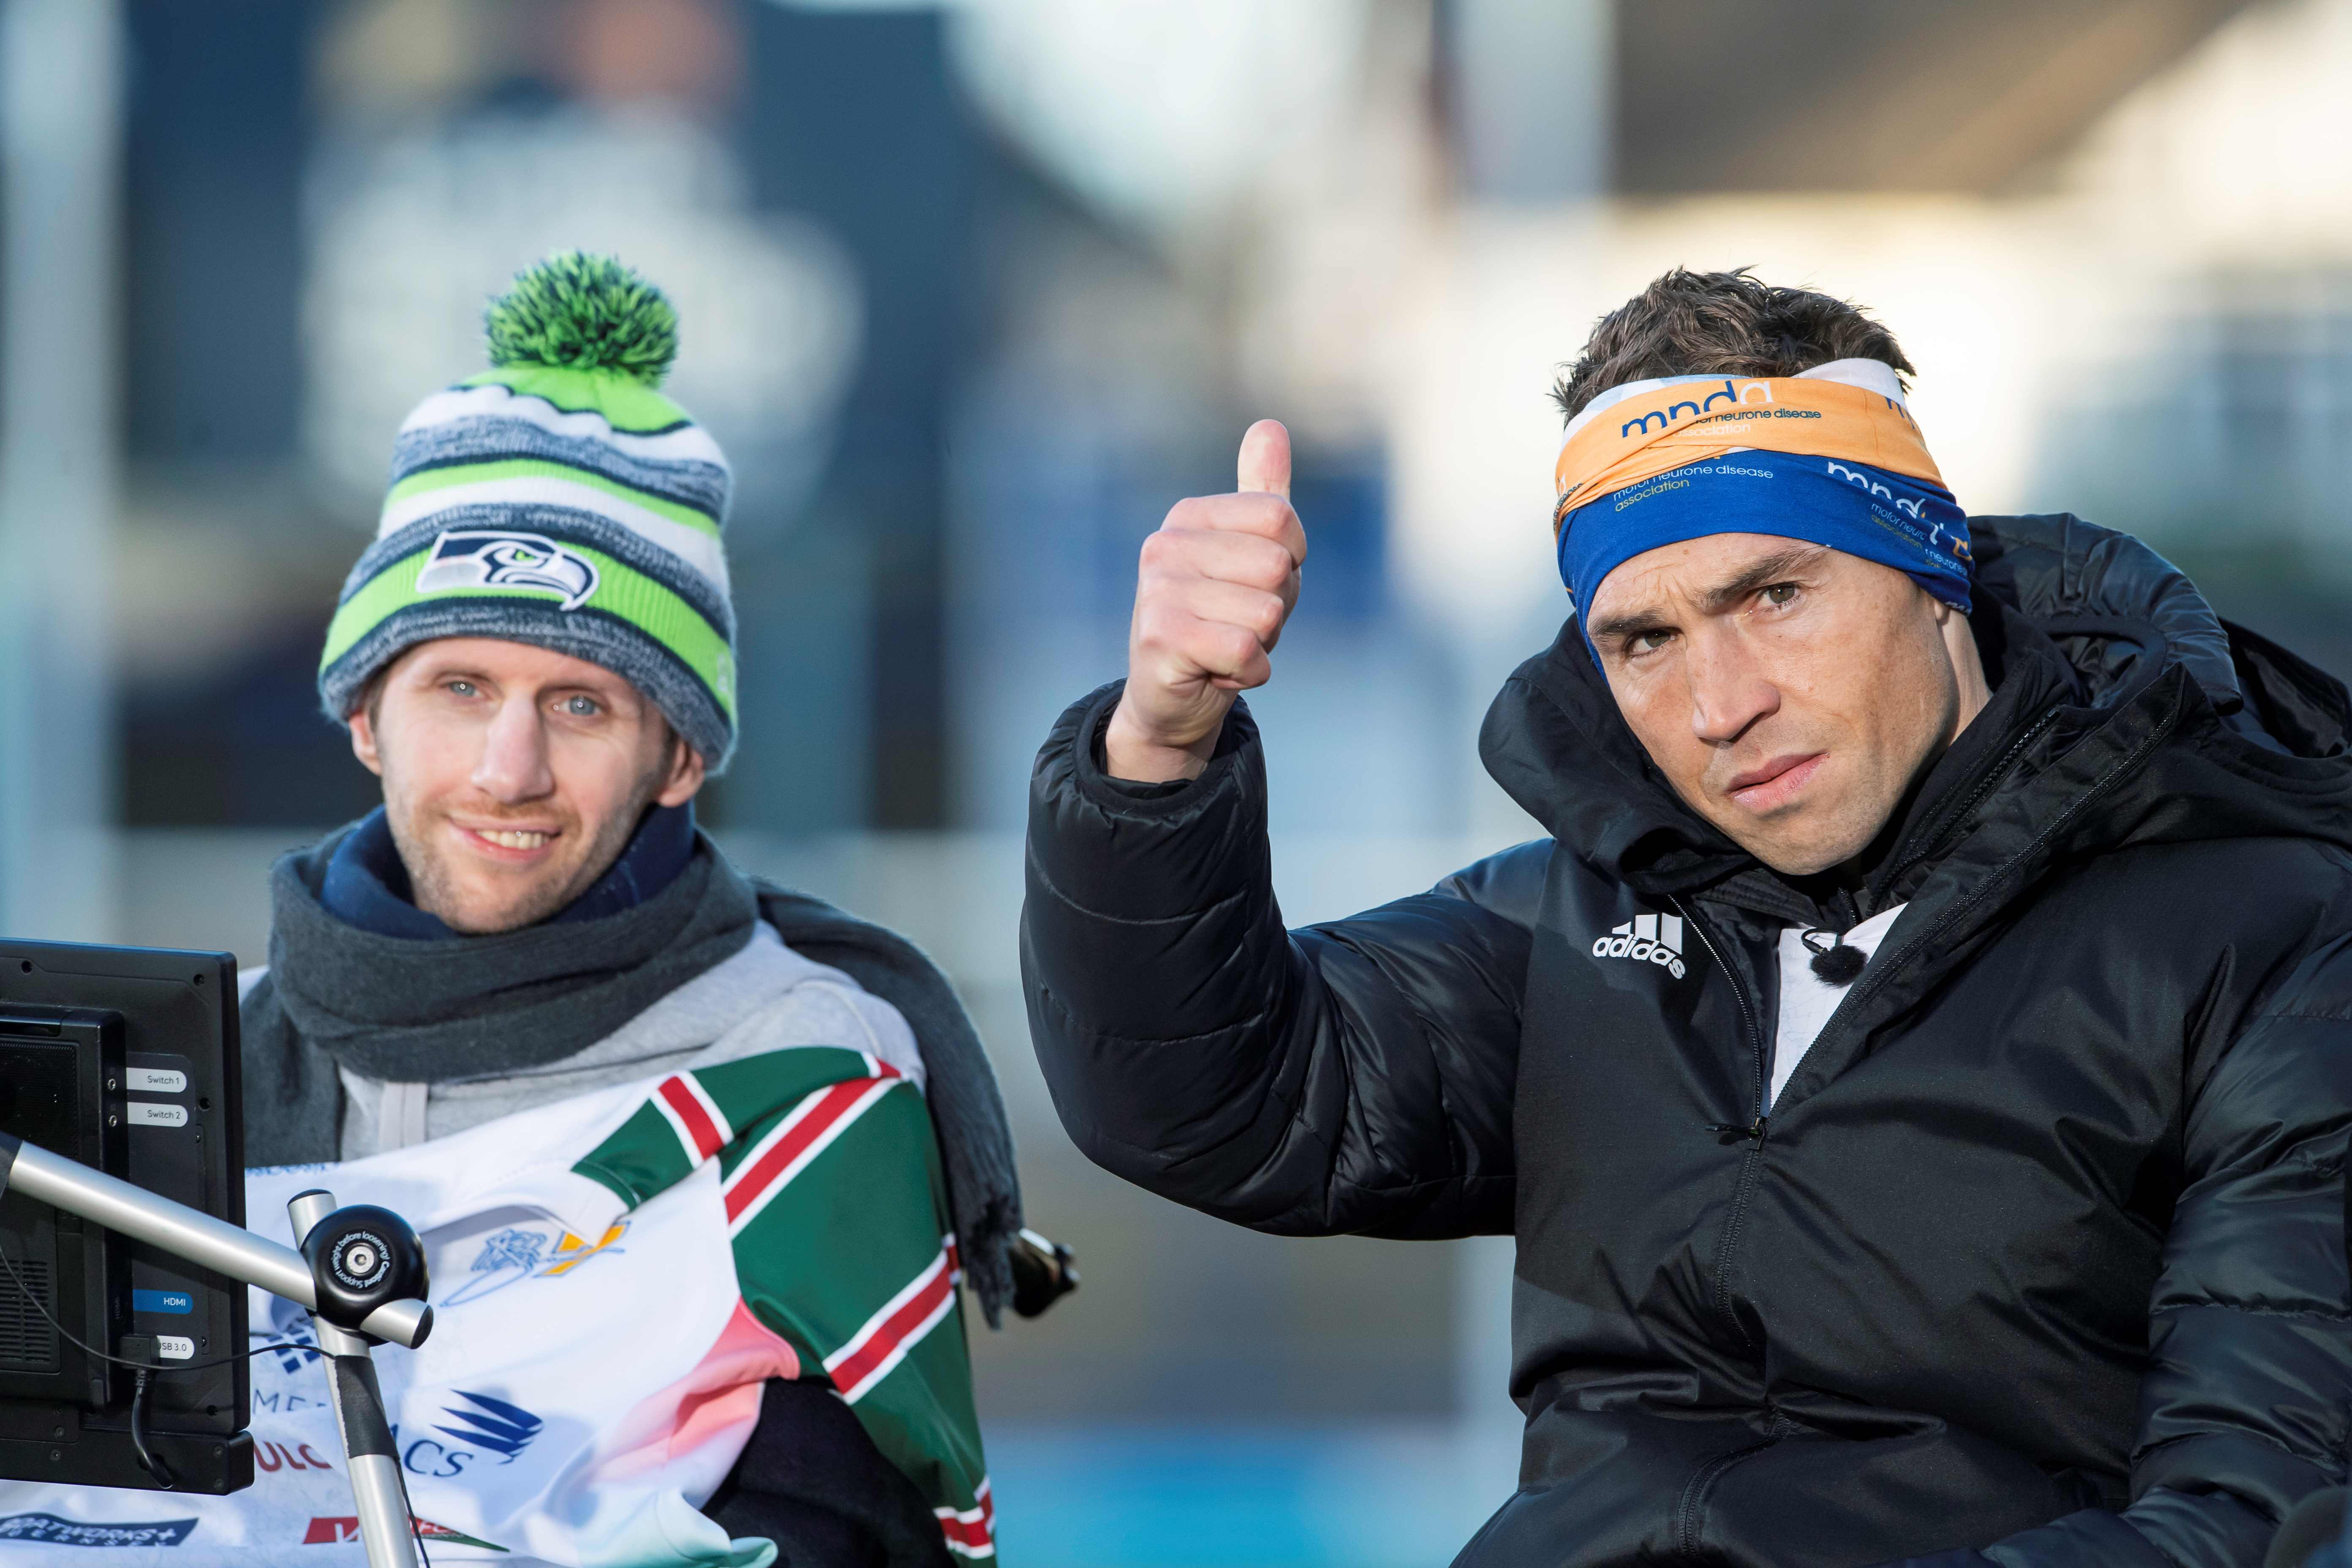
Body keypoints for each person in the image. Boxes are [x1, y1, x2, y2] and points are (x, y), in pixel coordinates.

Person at [1019, 268, 2352, 1565]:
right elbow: (1211, 1098)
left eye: (1773, 597)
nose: (1721, 706)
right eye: (1643, 641)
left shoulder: (2270, 943)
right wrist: (1161, 743)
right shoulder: (1588, 919)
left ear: (1933, 566)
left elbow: (2260, 1517)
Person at [240, 252, 1060, 1564]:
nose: (510, 769)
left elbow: (844, 1539)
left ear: (680, 758)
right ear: (364, 719)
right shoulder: (213, 1056)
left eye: (581, 705)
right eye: (459, 687)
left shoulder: (801, 1070)